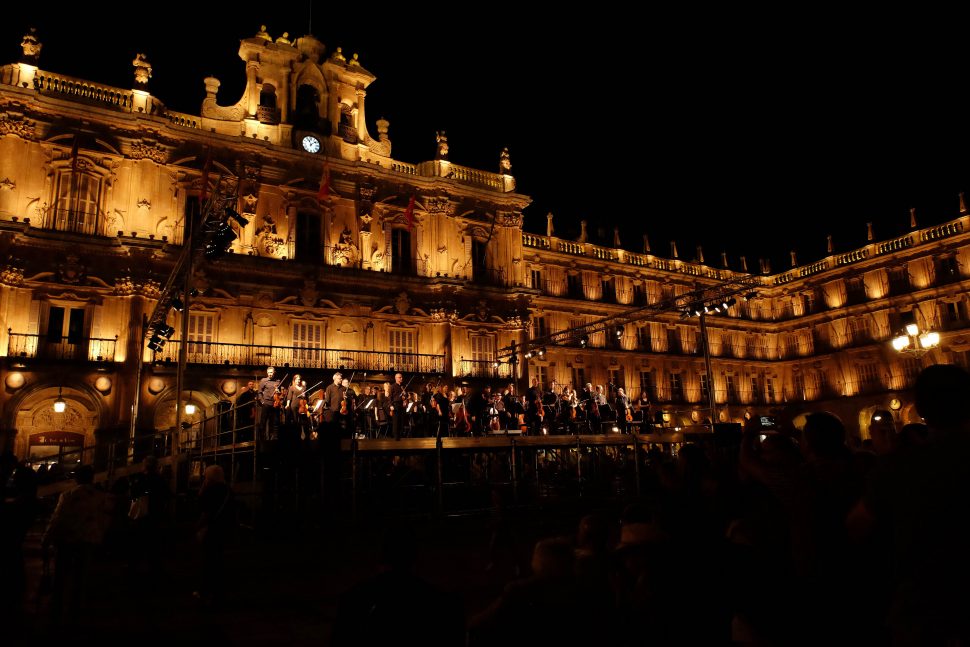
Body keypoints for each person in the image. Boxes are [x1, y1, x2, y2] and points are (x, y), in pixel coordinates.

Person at [43, 465, 110, 623]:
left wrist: (47, 538)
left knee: (60, 575)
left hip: (68, 539)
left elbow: (58, 518)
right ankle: (76, 610)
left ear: (76, 478)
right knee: (81, 576)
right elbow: (105, 519)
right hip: (88, 539)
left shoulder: (68, 495)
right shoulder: (101, 497)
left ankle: (56, 608)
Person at [194, 465, 234, 607]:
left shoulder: (210, 490)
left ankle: (206, 591)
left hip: (211, 530)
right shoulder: (228, 490)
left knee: (208, 561)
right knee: (218, 561)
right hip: (223, 529)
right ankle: (218, 592)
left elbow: (204, 510)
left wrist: (197, 526)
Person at [256, 366, 280, 441]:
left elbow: (280, 394)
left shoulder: (278, 381)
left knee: (274, 422)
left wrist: (278, 391)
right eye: (269, 372)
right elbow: (259, 392)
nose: (270, 374)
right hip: (266, 403)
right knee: (263, 421)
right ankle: (261, 438)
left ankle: (274, 437)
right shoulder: (263, 380)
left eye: (271, 372)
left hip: (275, 404)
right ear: (267, 373)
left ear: (274, 373)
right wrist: (262, 401)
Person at [389, 373, 406, 440]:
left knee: (401, 421)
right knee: (396, 421)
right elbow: (390, 397)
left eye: (401, 377)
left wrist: (405, 395)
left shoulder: (402, 387)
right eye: (400, 377)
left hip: (401, 405)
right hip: (395, 405)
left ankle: (401, 435)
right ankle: (396, 436)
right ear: (396, 378)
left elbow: (406, 396)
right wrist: (390, 405)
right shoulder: (392, 386)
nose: (401, 378)